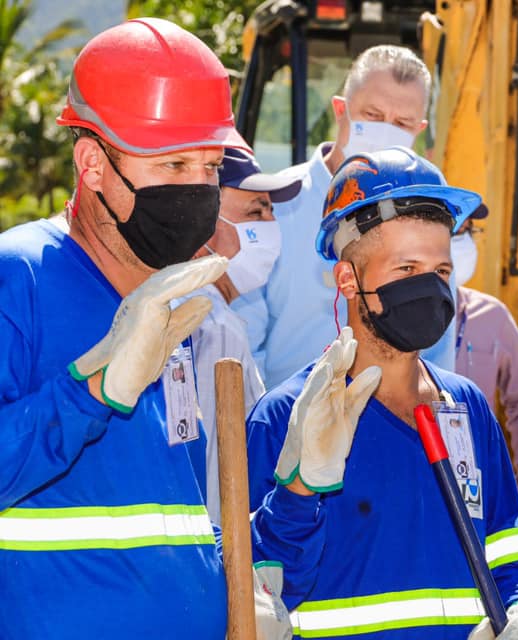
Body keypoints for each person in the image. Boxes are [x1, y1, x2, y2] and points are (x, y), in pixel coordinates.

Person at [0, 18, 323, 638]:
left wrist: (297, 494)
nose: (197, 189)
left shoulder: (184, 305)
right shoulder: (21, 279)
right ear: (93, 163)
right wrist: (89, 393)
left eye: (208, 167)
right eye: (173, 163)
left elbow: (179, 517)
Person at [245, 147, 518, 639]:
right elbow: (265, 583)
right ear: (348, 279)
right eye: (406, 270)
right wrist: (297, 493)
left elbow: (506, 541)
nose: (430, 290)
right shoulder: (285, 416)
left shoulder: (467, 407)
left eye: (439, 272)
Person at [235, 44, 459, 388]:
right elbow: (244, 343)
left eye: (402, 123)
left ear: (419, 128)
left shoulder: (428, 216)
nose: (387, 130)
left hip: (393, 423)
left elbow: (438, 345)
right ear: (341, 110)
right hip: (290, 427)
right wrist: (275, 426)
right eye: (372, 115)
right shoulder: (276, 205)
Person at [188, 147, 302, 524]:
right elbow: (211, 466)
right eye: (256, 212)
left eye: (271, 211)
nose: (271, 225)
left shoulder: (213, 316)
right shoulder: (210, 326)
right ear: (203, 221)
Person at [451, 212, 518, 513]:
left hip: (479, 495)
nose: (464, 241)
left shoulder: (492, 317)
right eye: (454, 230)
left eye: (468, 231)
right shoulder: (392, 317)